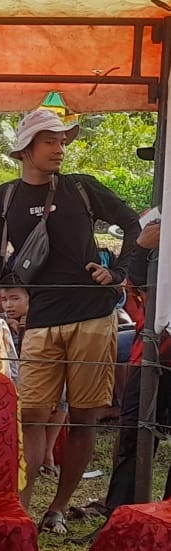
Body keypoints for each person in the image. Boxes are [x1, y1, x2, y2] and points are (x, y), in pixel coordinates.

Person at [0, 108, 140, 534]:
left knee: (84, 418)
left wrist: (117, 272)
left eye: (62, 141)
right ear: (26, 148)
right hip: (40, 321)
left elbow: (134, 223)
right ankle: (21, 508)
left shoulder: (82, 188)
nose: (59, 149)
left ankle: (58, 507)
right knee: (31, 415)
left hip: (92, 317)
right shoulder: (6, 196)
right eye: (49, 141)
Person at [102, 219, 171, 512]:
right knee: (133, 436)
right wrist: (142, 249)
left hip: (153, 351)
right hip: (153, 353)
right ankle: (120, 515)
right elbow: (137, 288)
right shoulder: (157, 217)